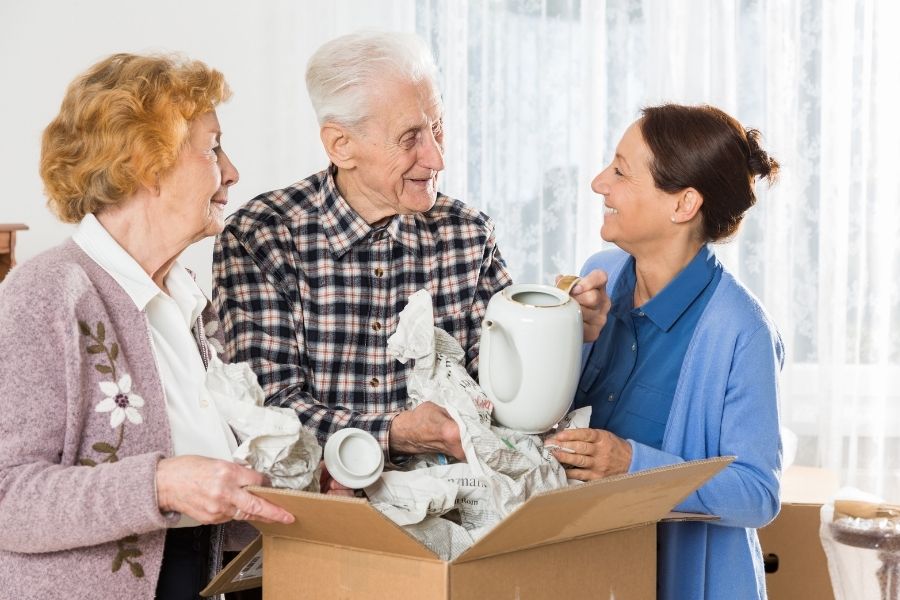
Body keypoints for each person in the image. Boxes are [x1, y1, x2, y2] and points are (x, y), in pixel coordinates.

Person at [212, 31, 610, 486]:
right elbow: (268, 414)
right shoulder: (261, 236)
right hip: (318, 520)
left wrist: (562, 327)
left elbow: (503, 391)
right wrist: (397, 434)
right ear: (341, 145)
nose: (437, 157)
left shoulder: (468, 233)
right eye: (410, 138)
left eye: (437, 127)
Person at [0, 53, 294, 600]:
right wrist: (161, 484)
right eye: (212, 148)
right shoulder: (48, 293)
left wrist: (290, 492)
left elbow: (207, 490)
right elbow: (7, 497)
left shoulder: (186, 296)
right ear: (148, 166)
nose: (231, 172)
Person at [547, 104, 783, 599]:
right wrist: (561, 335)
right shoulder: (600, 274)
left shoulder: (742, 332)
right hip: (588, 571)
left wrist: (631, 464)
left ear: (683, 205)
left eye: (620, 171)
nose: (597, 183)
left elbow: (758, 494)